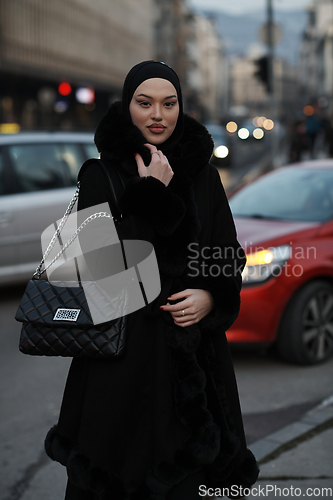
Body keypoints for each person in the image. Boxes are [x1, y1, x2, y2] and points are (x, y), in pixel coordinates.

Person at [45, 61, 259, 500]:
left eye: (169, 103)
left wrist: (209, 296)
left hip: (194, 365)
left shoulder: (202, 173)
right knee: (118, 479)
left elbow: (226, 253)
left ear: (181, 106)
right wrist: (151, 197)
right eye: (144, 103)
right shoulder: (99, 176)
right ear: (128, 107)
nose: (158, 115)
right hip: (121, 363)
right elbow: (103, 275)